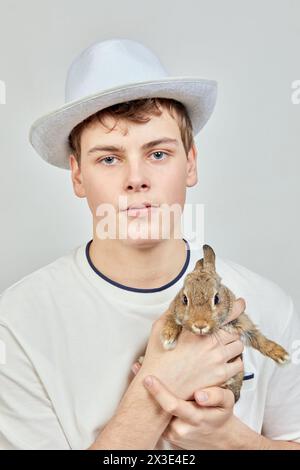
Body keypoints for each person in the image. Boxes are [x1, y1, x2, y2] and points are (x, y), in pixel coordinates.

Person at [0, 38, 299, 450]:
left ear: (190, 162)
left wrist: (230, 439)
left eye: (158, 154)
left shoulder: (270, 306)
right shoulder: (15, 326)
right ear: (77, 176)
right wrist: (158, 388)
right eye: (109, 158)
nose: (136, 178)